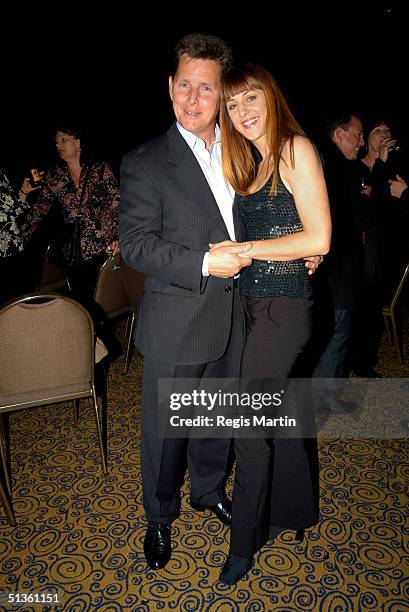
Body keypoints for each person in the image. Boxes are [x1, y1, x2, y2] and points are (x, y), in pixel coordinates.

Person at [120, 34, 321, 572]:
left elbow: (274, 213)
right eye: (184, 85)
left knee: (218, 422)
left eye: (205, 88)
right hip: (177, 319)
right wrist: (206, 263)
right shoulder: (144, 161)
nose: (193, 98)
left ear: (219, 95)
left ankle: (208, 491)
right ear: (169, 87)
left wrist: (306, 247)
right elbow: (136, 245)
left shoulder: (240, 149)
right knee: (166, 432)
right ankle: (158, 518)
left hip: (240, 317)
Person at [210, 63, 330, 585]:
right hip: (253, 309)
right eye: (232, 105)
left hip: (284, 312)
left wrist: (247, 250)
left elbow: (319, 239)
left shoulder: (294, 150)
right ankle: (296, 511)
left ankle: (245, 542)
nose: (243, 112)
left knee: (247, 426)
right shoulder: (253, 164)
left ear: (271, 96)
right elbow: (295, 232)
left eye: (250, 97)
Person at [22, 125, 121, 356]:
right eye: (56, 142)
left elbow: (118, 205)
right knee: (82, 301)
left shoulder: (99, 169)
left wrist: (118, 236)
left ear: (78, 142)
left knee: (98, 301)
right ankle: (96, 349)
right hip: (76, 250)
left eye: (64, 140)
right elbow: (41, 208)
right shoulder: (55, 175)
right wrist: (22, 231)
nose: (59, 146)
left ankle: (100, 345)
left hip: (104, 245)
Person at [309, 113, 366, 406]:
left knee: (332, 330)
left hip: (334, 266)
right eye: (357, 134)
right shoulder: (332, 166)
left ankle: (323, 396)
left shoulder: (338, 165)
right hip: (333, 268)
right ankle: (322, 400)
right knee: (336, 331)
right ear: (340, 133)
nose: (362, 141)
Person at [0, 169, 40, 303]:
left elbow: (11, 212)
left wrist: (24, 192)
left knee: (21, 305)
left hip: (15, 247)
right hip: (2, 252)